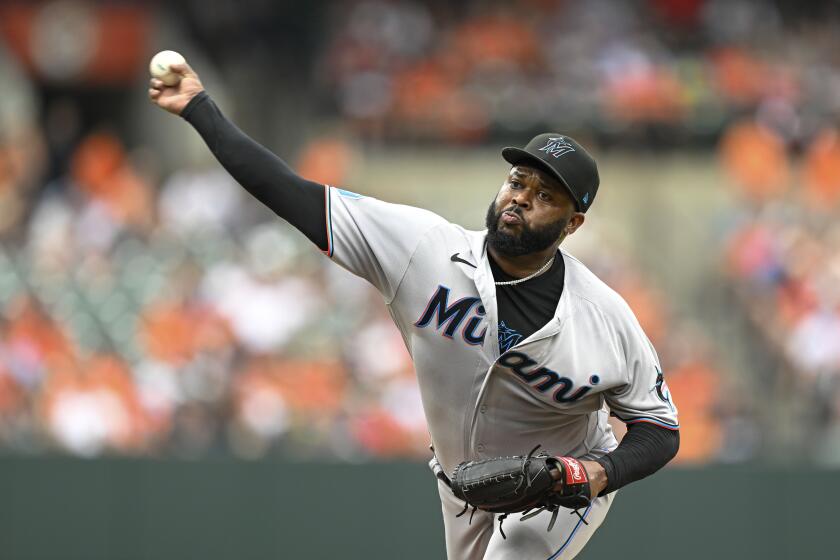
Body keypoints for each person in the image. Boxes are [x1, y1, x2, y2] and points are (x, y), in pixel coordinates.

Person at [149, 63, 679, 560]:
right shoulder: (422, 250)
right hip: (459, 485)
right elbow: (289, 192)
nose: (520, 198)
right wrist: (199, 107)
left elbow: (660, 429)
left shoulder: (604, 316)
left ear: (573, 224)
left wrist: (595, 473)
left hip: (559, 493)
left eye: (545, 195)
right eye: (517, 181)